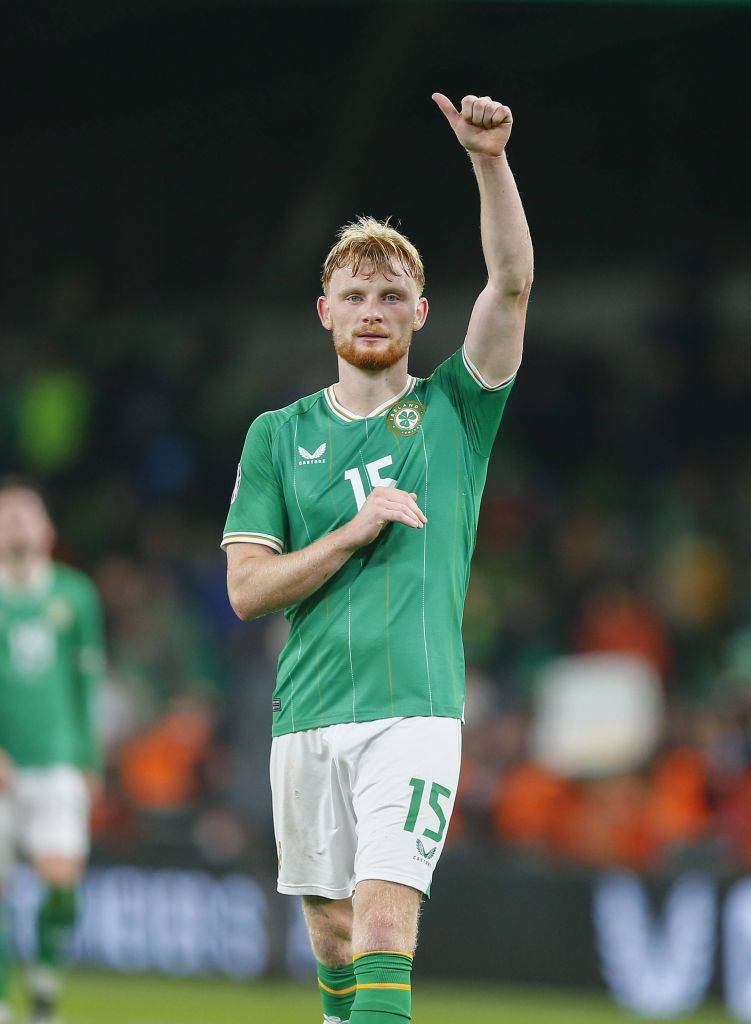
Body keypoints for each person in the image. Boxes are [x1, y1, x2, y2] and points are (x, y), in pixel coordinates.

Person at [223, 92, 532, 1024]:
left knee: (384, 927)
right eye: (354, 295)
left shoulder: (454, 411)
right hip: (306, 715)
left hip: (415, 712)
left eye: (392, 294)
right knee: (333, 943)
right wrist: (353, 533)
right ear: (324, 311)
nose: (372, 309)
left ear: (421, 312)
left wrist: (487, 162)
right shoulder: (276, 436)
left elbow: (511, 285)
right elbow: (247, 592)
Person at [0, 480, 105, 1024]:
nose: (16, 523)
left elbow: (89, 684)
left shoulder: (75, 595)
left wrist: (91, 760)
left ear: (47, 531)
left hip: (59, 761)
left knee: (62, 887)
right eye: (7, 515)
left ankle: (43, 988)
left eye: (25, 514)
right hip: (2, 765)